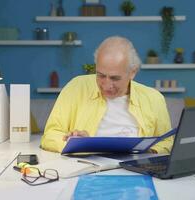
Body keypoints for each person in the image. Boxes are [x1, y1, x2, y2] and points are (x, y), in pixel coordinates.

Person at [41, 36, 174, 153]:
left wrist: (147, 151)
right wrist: (76, 144)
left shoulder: (154, 98)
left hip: (136, 168)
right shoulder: (75, 88)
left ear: (133, 72)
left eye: (115, 78)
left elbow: (167, 142)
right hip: (87, 167)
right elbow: (50, 135)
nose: (106, 85)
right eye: (101, 76)